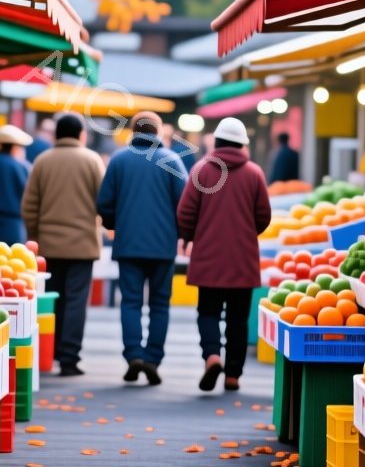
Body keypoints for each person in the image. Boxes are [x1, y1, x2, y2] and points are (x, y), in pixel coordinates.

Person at [178, 117, 270, 392]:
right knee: (238, 319)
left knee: (208, 312)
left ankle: (212, 356)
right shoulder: (254, 173)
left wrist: (189, 236)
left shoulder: (202, 170)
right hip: (242, 260)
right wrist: (246, 231)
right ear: (243, 145)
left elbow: (185, 212)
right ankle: (233, 375)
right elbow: (264, 216)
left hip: (208, 257)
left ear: (216, 142)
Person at [97, 112, 187, 385]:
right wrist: (181, 235)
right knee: (159, 304)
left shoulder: (119, 160)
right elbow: (184, 206)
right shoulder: (172, 161)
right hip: (162, 247)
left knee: (131, 302)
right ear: (158, 132)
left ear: (134, 131)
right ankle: (152, 359)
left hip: (128, 245)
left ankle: (133, 354)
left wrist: (117, 224)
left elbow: (104, 203)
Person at [21, 114, 104, 377]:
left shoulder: (42, 161)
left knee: (52, 301)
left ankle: (50, 352)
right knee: (77, 301)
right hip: (83, 246)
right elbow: (103, 200)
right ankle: (69, 358)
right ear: (80, 134)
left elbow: (29, 206)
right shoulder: (92, 161)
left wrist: (37, 234)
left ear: (56, 134)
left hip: (49, 245)